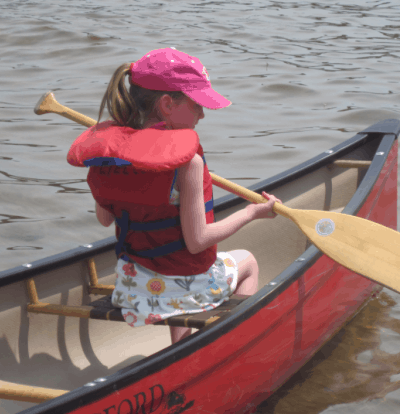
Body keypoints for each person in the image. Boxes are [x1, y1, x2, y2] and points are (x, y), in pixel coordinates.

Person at [67, 48, 281, 344]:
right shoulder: (188, 162)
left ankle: (181, 346)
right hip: (185, 291)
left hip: (133, 289)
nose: (203, 113)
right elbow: (197, 242)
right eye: (196, 105)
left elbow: (105, 220)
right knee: (248, 262)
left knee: (171, 273)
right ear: (167, 104)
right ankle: (235, 343)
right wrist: (252, 213)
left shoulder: (109, 157)